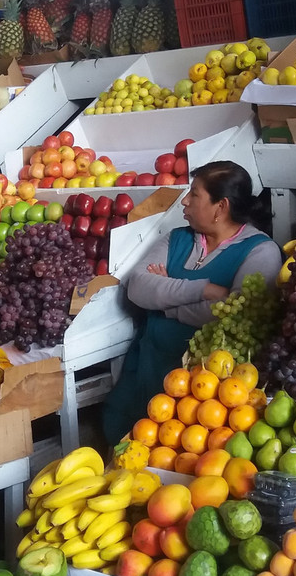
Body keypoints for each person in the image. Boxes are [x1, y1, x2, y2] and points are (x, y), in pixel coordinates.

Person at [101, 160, 282, 444]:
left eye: (194, 194)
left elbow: (235, 317)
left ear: (220, 207)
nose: (184, 201)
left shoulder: (261, 251)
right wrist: (206, 289)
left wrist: (162, 300)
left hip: (204, 395)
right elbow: (137, 288)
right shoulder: (177, 238)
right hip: (144, 374)